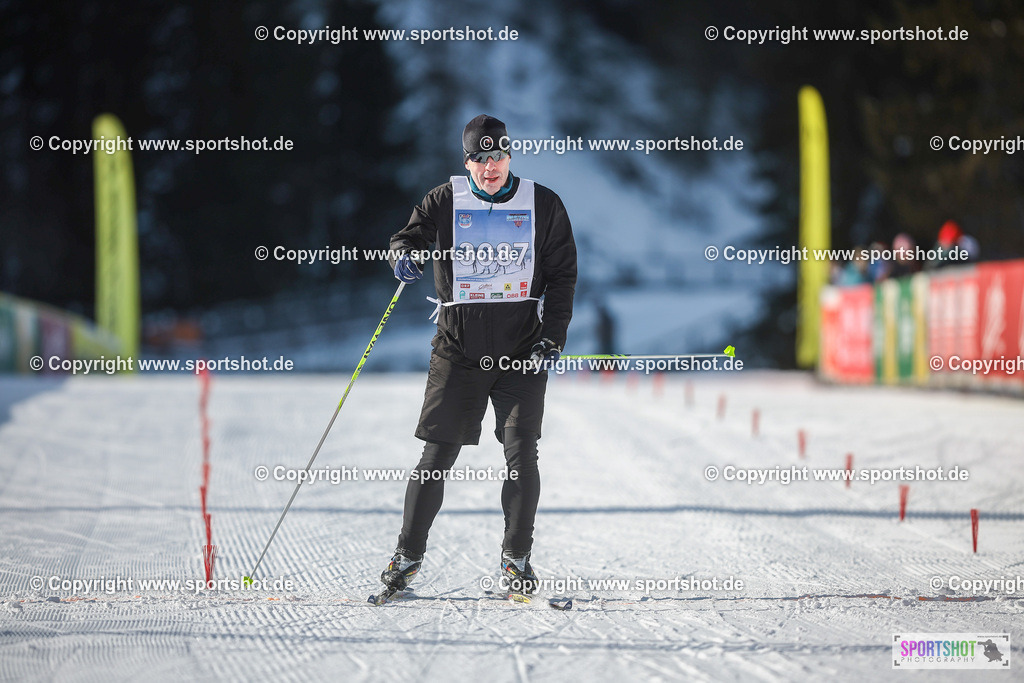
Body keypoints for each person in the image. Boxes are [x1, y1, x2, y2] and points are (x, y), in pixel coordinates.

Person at [377, 114, 577, 598]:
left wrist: (551, 338)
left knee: (520, 454)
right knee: (437, 453)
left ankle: (516, 558)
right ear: (466, 161)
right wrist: (402, 254)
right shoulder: (445, 199)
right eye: (478, 158)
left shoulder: (543, 204)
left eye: (497, 156)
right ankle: (407, 555)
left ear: (510, 155)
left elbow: (563, 275)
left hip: (520, 350)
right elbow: (409, 237)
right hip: (458, 348)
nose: (489, 167)